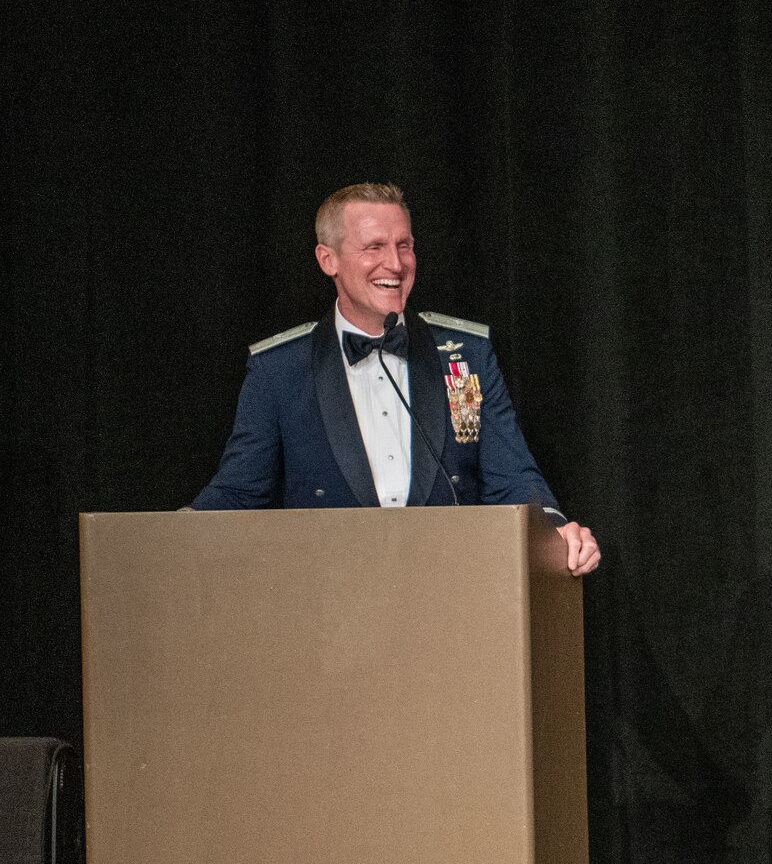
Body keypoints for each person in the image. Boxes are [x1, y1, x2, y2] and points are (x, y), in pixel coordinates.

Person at [192, 183, 602, 576]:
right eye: (374, 247)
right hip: (328, 607)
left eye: (403, 245)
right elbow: (239, 493)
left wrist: (556, 531)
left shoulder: (466, 356)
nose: (395, 263)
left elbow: (512, 478)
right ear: (327, 259)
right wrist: (171, 534)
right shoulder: (279, 370)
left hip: (455, 594)